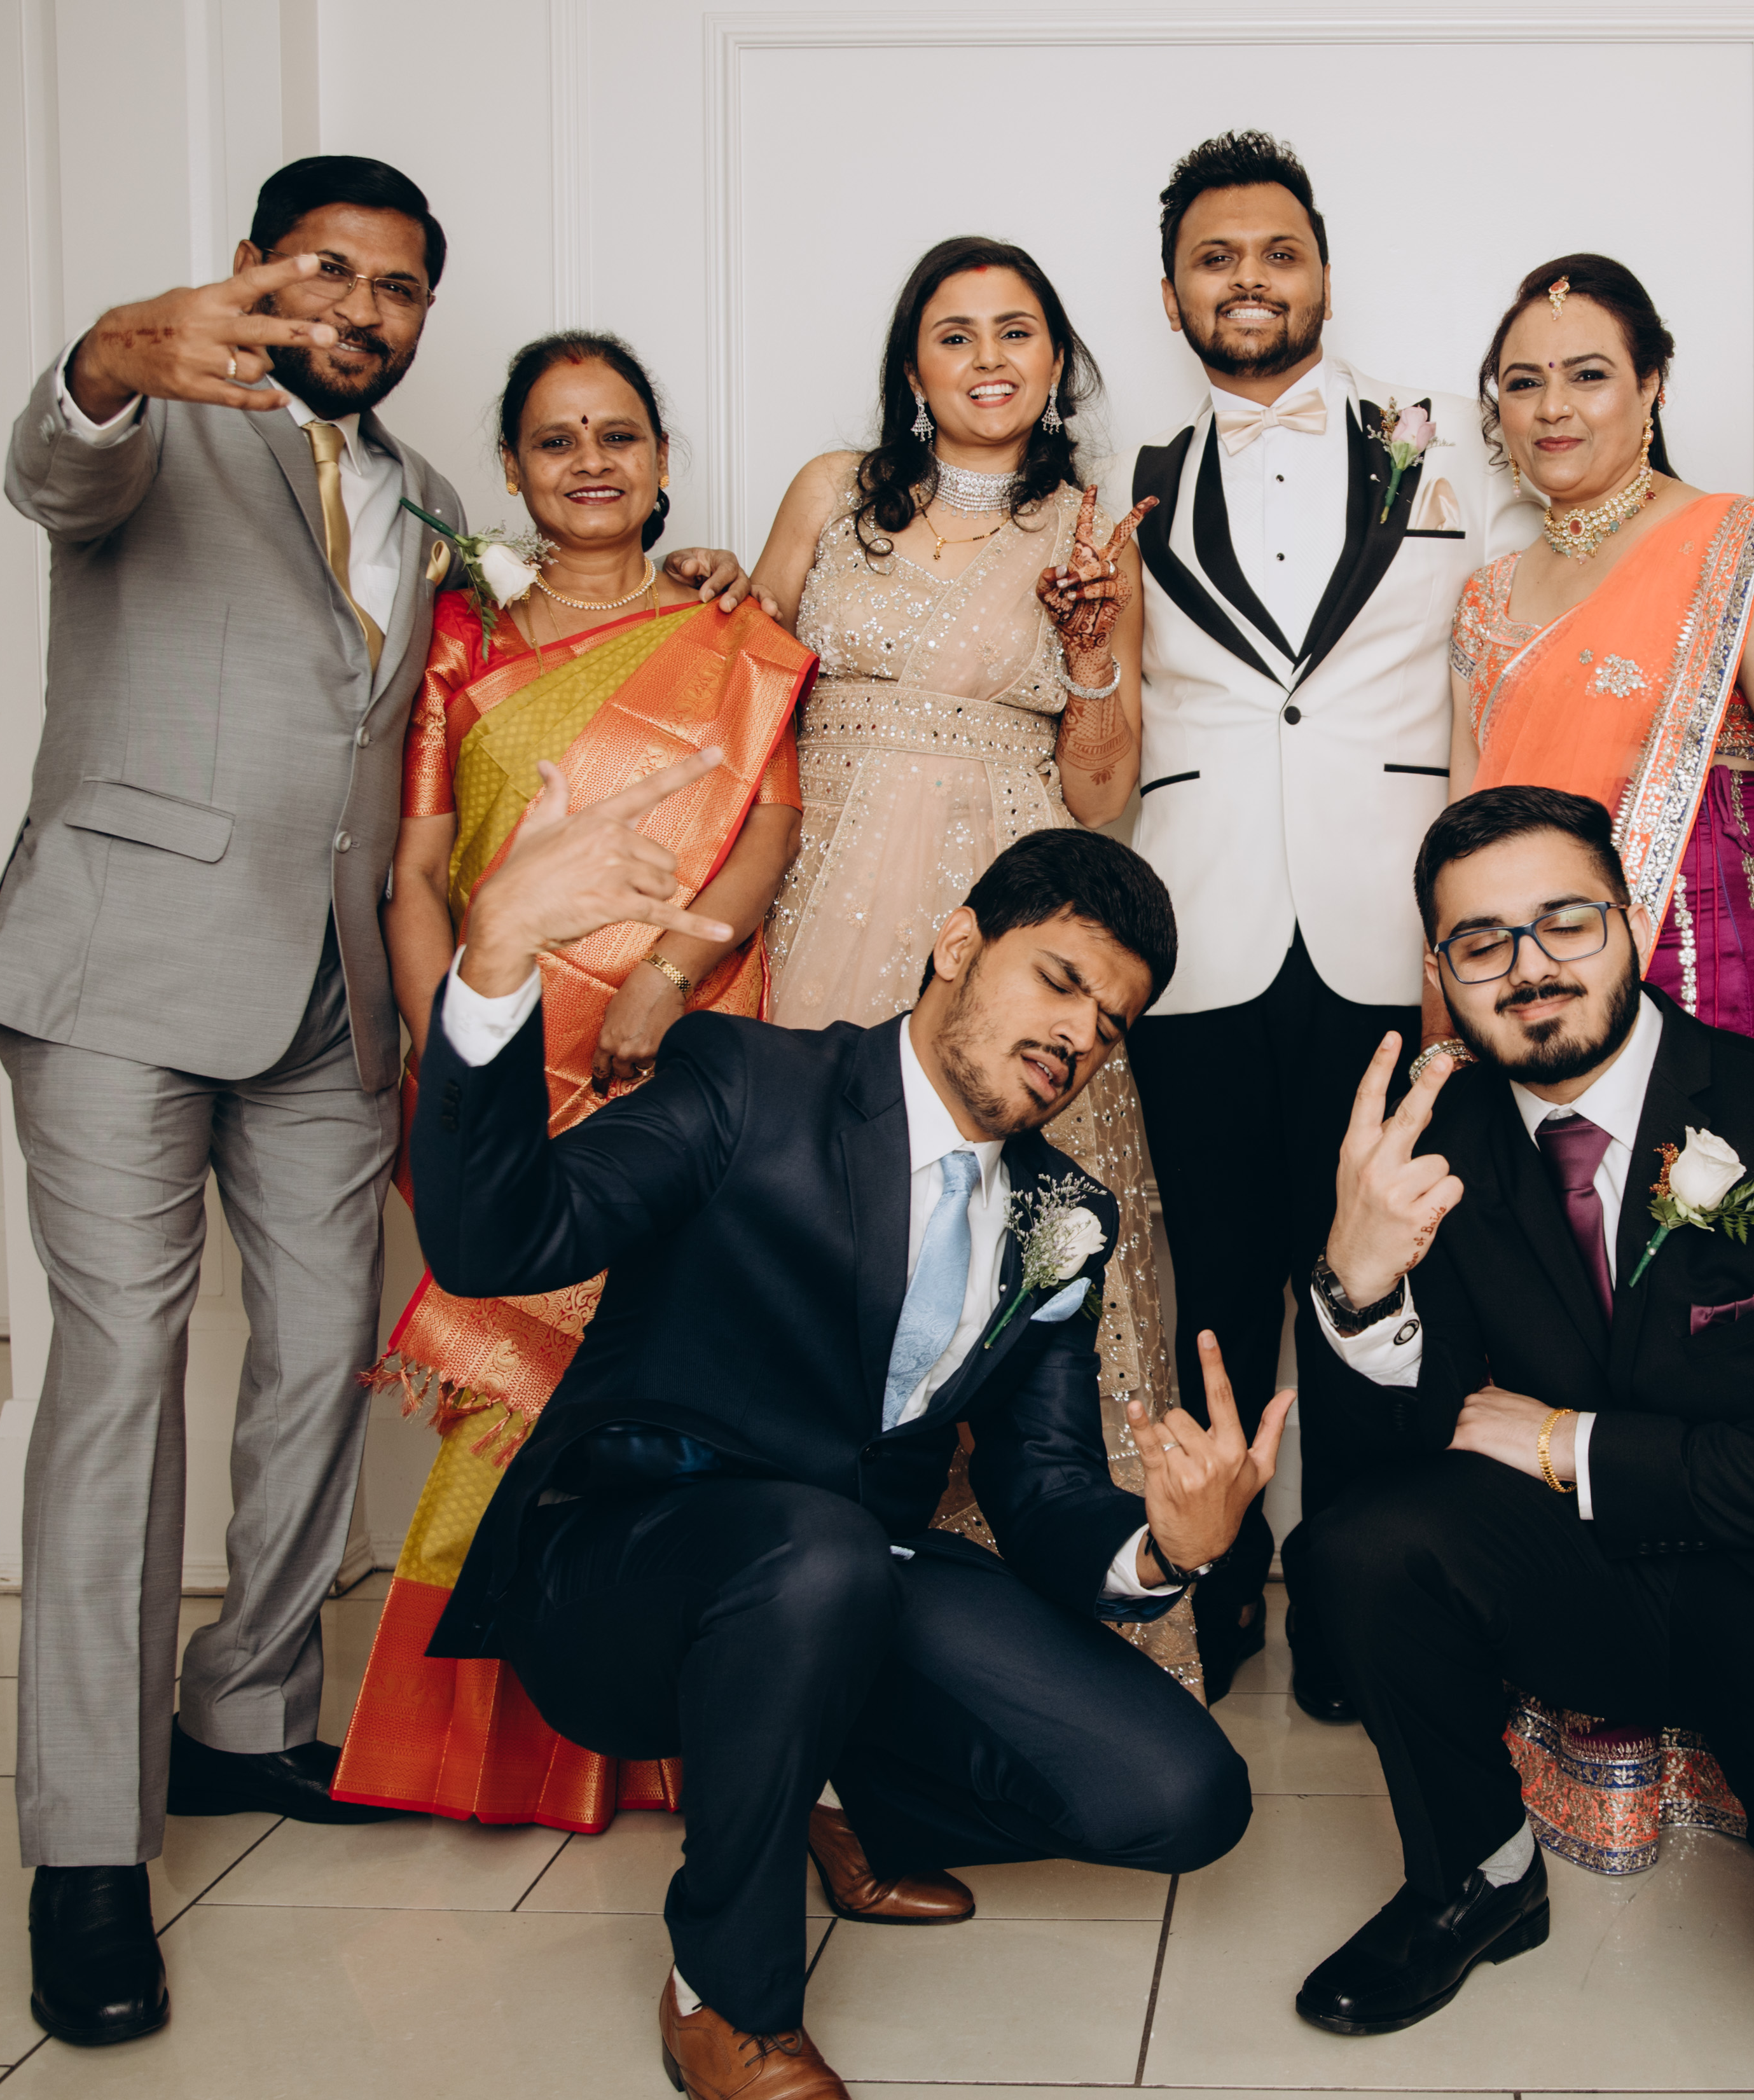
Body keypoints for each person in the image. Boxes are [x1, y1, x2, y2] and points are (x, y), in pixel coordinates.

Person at [0, 153, 752, 2050]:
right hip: (120, 970)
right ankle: (87, 1844)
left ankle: (245, 1710)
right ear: (251, 270)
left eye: (398, 289)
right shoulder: (157, 418)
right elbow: (56, 462)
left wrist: (695, 580)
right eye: (328, 272)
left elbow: (480, 705)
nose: (362, 311)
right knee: (121, 1369)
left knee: (321, 1357)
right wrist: (108, 354)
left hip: (330, 1004)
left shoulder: (431, 511)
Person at [413, 815, 1271, 2100]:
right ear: (957, 943)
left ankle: (831, 1789)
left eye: (1112, 1025)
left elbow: (1039, 1490)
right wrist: (492, 959)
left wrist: (1165, 1546)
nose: (1079, 1038)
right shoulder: (746, 1080)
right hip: (625, 1574)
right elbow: (497, 1237)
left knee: (1184, 1793)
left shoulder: (1064, 1216)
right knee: (816, 1552)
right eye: (1060, 980)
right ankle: (725, 1993)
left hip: (856, 1574)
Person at [1282, 786, 1754, 2034]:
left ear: (1631, 922)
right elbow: (1385, 1468)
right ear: (1441, 974)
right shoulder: (1434, 1148)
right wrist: (1353, 1283)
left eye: (1564, 921)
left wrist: (1568, 1442)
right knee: (1359, 1547)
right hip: (1589, 1584)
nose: (1530, 967)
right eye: (1481, 941)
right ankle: (1478, 1878)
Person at [328, 330, 815, 1832]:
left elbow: (767, 831)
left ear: (663, 460)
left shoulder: (734, 633)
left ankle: (676, 1724)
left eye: (618, 434)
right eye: (557, 438)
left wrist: (664, 980)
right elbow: (419, 869)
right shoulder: (460, 637)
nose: (591, 461)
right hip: (510, 1043)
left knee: (675, 1374)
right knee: (508, 1387)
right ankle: (490, 1745)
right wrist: (463, 1056)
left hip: (689, 1039)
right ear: (515, 468)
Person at [1102, 131, 1539, 1706]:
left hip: (1387, 924)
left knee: (1380, 1284)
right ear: (1171, 295)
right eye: (1215, 258)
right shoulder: (1128, 483)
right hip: (1201, 928)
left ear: (1325, 275)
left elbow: (1519, 644)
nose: (1250, 279)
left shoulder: (1446, 453)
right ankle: (1213, 1594)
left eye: (1278, 251)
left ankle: (1363, 1608)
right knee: (1210, 1287)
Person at [744, 236, 1187, 1691]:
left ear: (1057, 362)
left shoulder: (1091, 530)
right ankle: (787, 1619)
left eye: (1017, 331)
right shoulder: (830, 493)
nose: (989, 357)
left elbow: (1104, 796)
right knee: (821, 1236)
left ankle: (1022, 1637)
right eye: (956, 332)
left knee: (1014, 1249)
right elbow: (739, 693)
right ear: (912, 364)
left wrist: (1092, 649)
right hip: (824, 905)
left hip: (1007, 917)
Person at [1449, 253, 1754, 1085]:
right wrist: (1448, 1033)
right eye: (1524, 383)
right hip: (1530, 992)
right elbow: (1460, 837)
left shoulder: (1736, 545)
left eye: (1588, 375)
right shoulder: (1484, 598)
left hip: (1718, 972)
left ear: (1651, 386)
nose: (1552, 407)